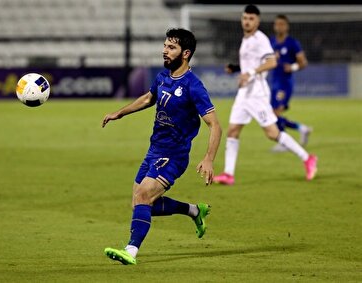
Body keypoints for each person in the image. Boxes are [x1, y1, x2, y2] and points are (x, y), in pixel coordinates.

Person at [102, 28, 222, 265]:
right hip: (154, 149)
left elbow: (215, 126)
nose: (164, 51)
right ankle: (194, 211)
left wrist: (208, 158)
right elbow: (148, 98)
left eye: (171, 47)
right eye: (165, 46)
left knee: (144, 195)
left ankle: (131, 251)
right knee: (140, 203)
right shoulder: (162, 77)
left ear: (185, 53)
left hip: (174, 154)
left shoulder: (193, 86)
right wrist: (120, 113)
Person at [213, 4, 317, 186]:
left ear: (257, 21)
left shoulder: (260, 39)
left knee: (272, 133)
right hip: (244, 93)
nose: (247, 21)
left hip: (257, 93)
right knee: (233, 131)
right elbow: (253, 63)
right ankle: (229, 174)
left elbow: (272, 62)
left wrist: (250, 73)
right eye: (245, 18)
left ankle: (307, 158)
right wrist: (236, 68)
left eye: (251, 19)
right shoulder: (246, 39)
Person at [269, 14, 313, 152]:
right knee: (272, 114)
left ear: (286, 26)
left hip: (285, 83)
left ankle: (284, 141)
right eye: (277, 24)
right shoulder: (271, 42)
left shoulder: (292, 43)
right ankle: (302, 129)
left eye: (282, 24)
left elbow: (303, 62)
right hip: (274, 82)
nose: (279, 26)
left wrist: (292, 67)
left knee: (275, 113)